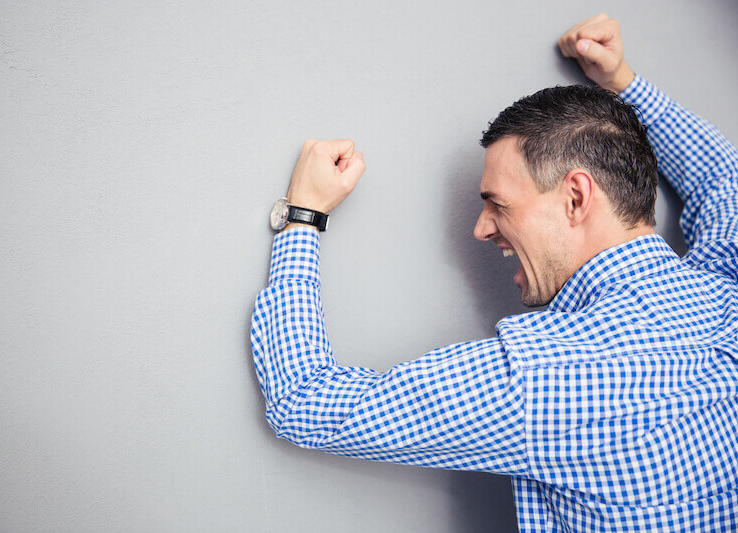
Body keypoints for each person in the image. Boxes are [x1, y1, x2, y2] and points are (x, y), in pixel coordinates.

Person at [251, 14, 738, 532]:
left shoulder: (545, 380)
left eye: (497, 204)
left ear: (576, 197)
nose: (483, 230)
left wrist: (303, 216)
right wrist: (622, 84)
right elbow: (724, 180)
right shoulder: (723, 286)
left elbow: (303, 400)